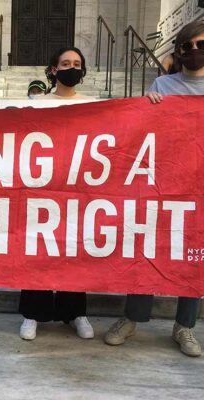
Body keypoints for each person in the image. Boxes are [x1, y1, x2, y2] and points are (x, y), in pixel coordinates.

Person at [104, 20, 204, 357]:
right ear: (178, 50)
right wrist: (147, 107)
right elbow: (147, 130)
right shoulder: (163, 83)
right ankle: (133, 318)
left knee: (193, 255)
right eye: (187, 46)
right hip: (163, 181)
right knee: (147, 249)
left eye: (200, 45)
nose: (194, 51)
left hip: (200, 187)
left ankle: (185, 327)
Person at [19, 47, 94, 342]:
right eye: (65, 64)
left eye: (76, 64)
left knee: (74, 249)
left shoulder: (95, 105)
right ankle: (32, 313)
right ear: (53, 70)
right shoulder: (36, 103)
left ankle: (75, 312)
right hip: (42, 187)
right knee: (38, 249)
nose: (71, 68)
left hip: (79, 189)